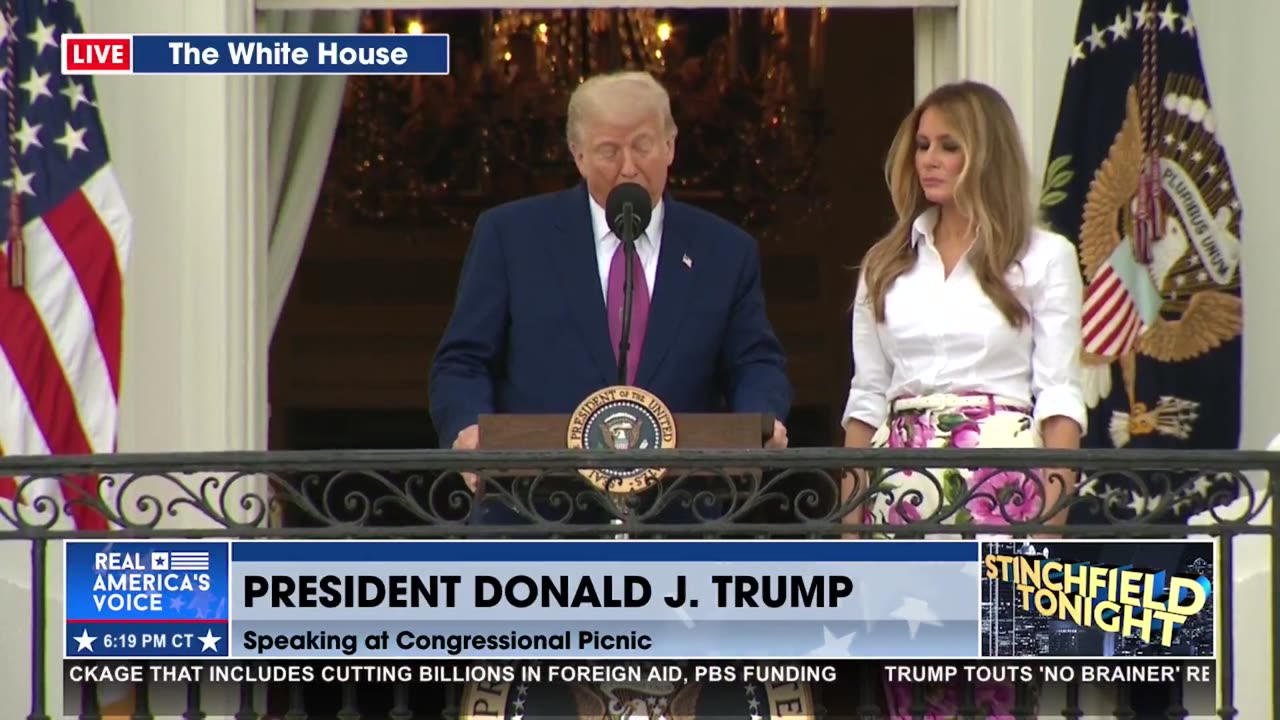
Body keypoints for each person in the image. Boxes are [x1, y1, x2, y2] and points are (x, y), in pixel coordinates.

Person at [430, 70, 792, 524]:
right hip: (533, 517)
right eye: (608, 151)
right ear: (578, 156)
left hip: (676, 522)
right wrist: (467, 428)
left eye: (642, 145)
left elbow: (755, 361)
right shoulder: (510, 237)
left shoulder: (725, 251)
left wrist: (759, 421)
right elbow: (462, 361)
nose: (628, 166)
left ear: (670, 146)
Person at [841, 81, 1087, 718]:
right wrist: (848, 522)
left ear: (987, 153)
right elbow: (866, 399)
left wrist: (1052, 520)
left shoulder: (1044, 257)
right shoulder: (884, 263)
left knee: (994, 684)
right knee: (911, 682)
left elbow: (1060, 393)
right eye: (922, 144)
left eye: (949, 146)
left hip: (1003, 489)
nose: (929, 159)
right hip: (901, 492)